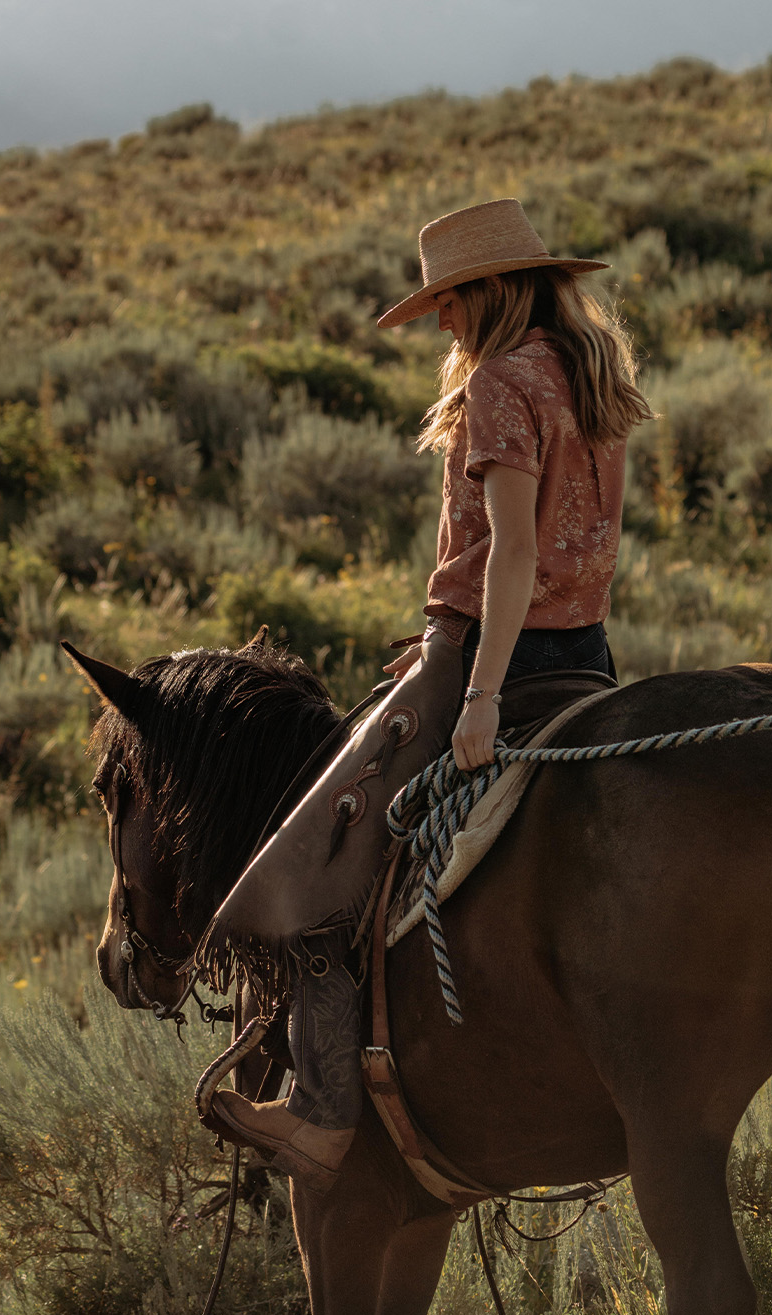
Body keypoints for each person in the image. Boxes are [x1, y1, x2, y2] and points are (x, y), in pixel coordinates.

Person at [205, 198, 653, 1184]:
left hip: (488, 657)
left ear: (492, 291)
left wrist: (478, 689)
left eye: (449, 301)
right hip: (586, 654)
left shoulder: (500, 382)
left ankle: (321, 1112)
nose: (442, 323)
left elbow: (512, 553)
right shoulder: (586, 376)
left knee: (315, 864)